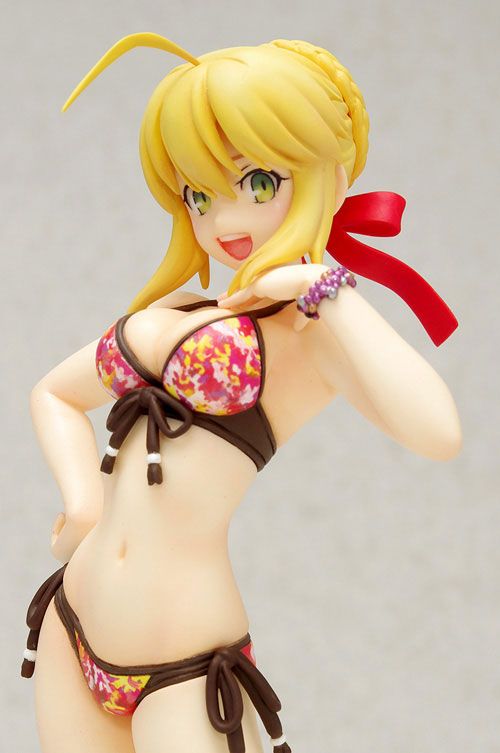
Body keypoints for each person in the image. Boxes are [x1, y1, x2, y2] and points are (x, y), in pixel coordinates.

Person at [22, 33, 461, 753]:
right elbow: (55, 393)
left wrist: (326, 289)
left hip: (183, 664)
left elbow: (439, 432)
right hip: (73, 621)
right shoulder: (183, 309)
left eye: (257, 183)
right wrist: (83, 501)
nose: (223, 218)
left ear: (327, 178)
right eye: (199, 194)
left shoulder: (313, 338)